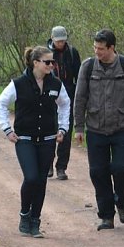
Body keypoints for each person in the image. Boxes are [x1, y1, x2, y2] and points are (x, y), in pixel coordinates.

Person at [73, 28, 124, 230]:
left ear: (112, 48)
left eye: (101, 48)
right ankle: (106, 215)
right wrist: (78, 126)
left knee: (121, 169)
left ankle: (121, 202)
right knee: (98, 172)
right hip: (96, 128)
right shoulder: (87, 67)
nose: (97, 52)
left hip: (122, 127)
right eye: (95, 47)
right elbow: (80, 97)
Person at [0, 45, 71, 238]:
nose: (52, 65)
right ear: (35, 63)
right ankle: (24, 214)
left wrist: (63, 128)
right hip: (25, 139)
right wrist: (6, 129)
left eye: (53, 62)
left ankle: (35, 221)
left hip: (47, 139)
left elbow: (65, 104)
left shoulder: (56, 84)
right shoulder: (18, 84)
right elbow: (1, 103)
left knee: (41, 181)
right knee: (31, 178)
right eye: (47, 62)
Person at [47, 25, 82, 180]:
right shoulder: (45, 54)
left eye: (63, 40)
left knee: (65, 133)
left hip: (68, 96)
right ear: (53, 39)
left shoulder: (72, 53)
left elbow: (79, 76)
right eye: (58, 41)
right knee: (48, 132)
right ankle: (48, 165)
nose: (61, 43)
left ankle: (61, 167)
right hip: (49, 97)